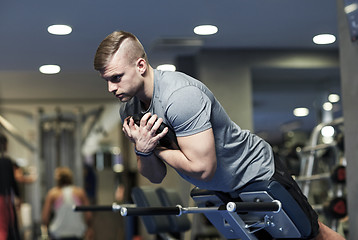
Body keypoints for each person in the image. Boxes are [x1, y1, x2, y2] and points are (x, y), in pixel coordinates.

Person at [93, 30, 345, 240]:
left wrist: (152, 148)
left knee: (313, 235)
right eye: (106, 80)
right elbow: (155, 175)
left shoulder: (180, 97)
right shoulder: (130, 108)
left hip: (254, 172)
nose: (110, 88)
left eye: (116, 78)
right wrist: (143, 150)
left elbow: (203, 168)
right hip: (222, 187)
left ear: (140, 66)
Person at [41, 167, 94, 240]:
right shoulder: (79, 192)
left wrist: (45, 229)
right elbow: (88, 215)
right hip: (77, 232)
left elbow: (45, 217)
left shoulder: (53, 194)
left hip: (58, 233)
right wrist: (89, 228)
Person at [0, 133, 21, 240]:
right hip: (3, 199)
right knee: (5, 228)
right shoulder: (6, 162)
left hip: (4, 198)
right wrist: (18, 195)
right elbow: (12, 182)